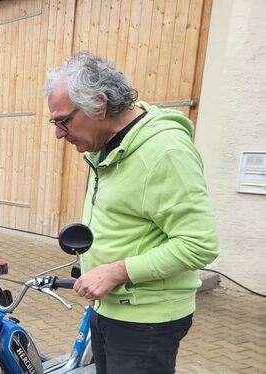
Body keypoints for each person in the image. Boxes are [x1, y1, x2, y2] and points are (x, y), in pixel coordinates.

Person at [44, 52, 219, 374]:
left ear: (98, 105)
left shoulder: (165, 152)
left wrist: (114, 272)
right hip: (110, 308)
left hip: (146, 321)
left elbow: (199, 244)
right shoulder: (110, 146)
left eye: (62, 121)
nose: (58, 133)